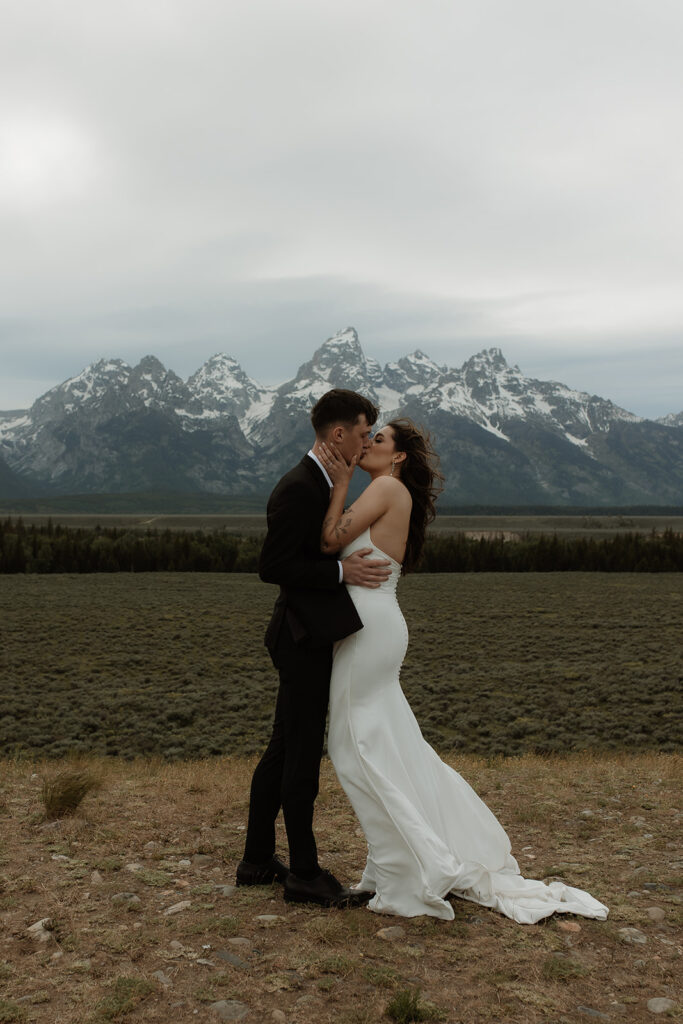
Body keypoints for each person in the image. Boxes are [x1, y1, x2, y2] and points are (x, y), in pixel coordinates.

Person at [317, 419, 609, 923]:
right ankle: (398, 864)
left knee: (355, 746)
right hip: (376, 625)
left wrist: (340, 477)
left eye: (378, 440)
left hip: (370, 628)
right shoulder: (389, 489)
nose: (368, 444)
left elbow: (329, 540)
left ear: (399, 456)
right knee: (390, 744)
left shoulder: (385, 486)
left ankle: (409, 871)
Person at [236, 388, 392, 908]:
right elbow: (272, 567)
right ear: (338, 434)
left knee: (283, 749)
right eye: (364, 431)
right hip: (299, 639)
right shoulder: (300, 487)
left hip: (304, 634)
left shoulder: (323, 483)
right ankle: (303, 872)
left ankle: (257, 860)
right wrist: (341, 570)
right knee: (300, 756)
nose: (368, 439)